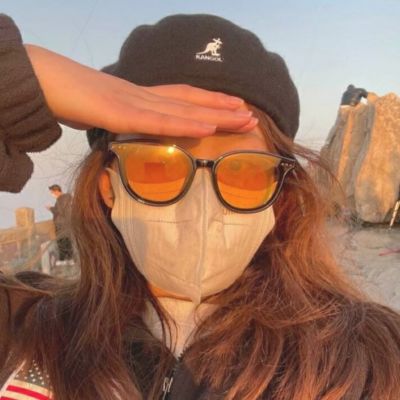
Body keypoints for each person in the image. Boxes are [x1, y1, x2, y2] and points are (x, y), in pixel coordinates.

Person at [1, 13, 400, 400]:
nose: (201, 201)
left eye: (243, 170)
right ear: (109, 188)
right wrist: (19, 74)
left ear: (279, 195)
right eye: (157, 164)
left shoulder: (368, 361)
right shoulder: (25, 330)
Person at [46, 184, 74, 265]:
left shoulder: (61, 199)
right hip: (66, 225)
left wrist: (50, 208)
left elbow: (59, 211)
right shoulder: (66, 199)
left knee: (61, 242)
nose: (52, 194)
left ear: (56, 191)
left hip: (61, 225)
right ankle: (70, 259)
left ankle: (63, 260)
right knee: (67, 242)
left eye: (52, 192)